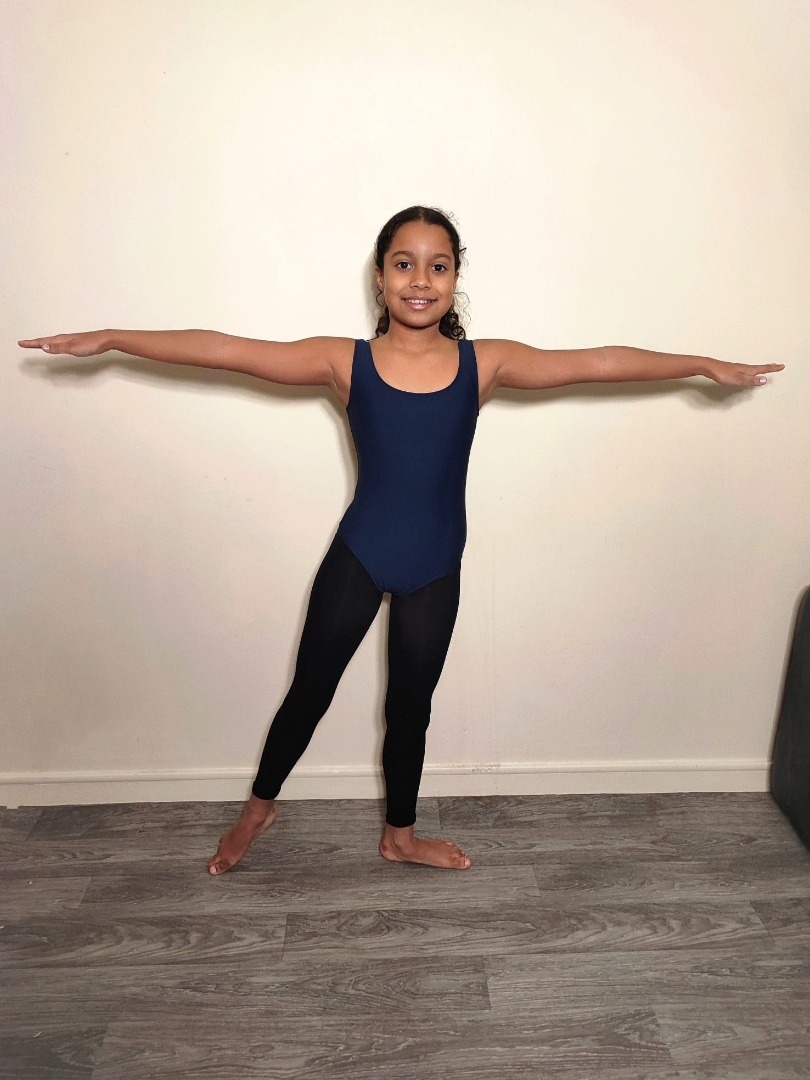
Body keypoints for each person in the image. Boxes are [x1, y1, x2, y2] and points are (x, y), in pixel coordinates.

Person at [19, 205, 784, 873]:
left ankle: (400, 836)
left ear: (456, 278)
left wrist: (701, 364)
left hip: (435, 564)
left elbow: (599, 363)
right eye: (404, 263)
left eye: (438, 266)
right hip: (361, 553)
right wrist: (113, 338)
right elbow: (227, 347)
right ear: (381, 277)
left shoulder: (485, 364)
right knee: (310, 692)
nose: (421, 279)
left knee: (410, 710)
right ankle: (258, 809)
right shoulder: (343, 361)